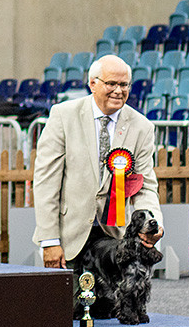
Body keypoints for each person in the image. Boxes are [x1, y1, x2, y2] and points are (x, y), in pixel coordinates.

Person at [33, 54, 164, 278]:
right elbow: (46, 183)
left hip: (115, 239)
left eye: (124, 85)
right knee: (71, 309)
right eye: (111, 83)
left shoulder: (142, 127)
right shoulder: (63, 116)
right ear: (92, 84)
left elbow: (145, 187)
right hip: (68, 237)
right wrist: (49, 240)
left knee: (113, 310)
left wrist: (153, 226)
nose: (118, 91)